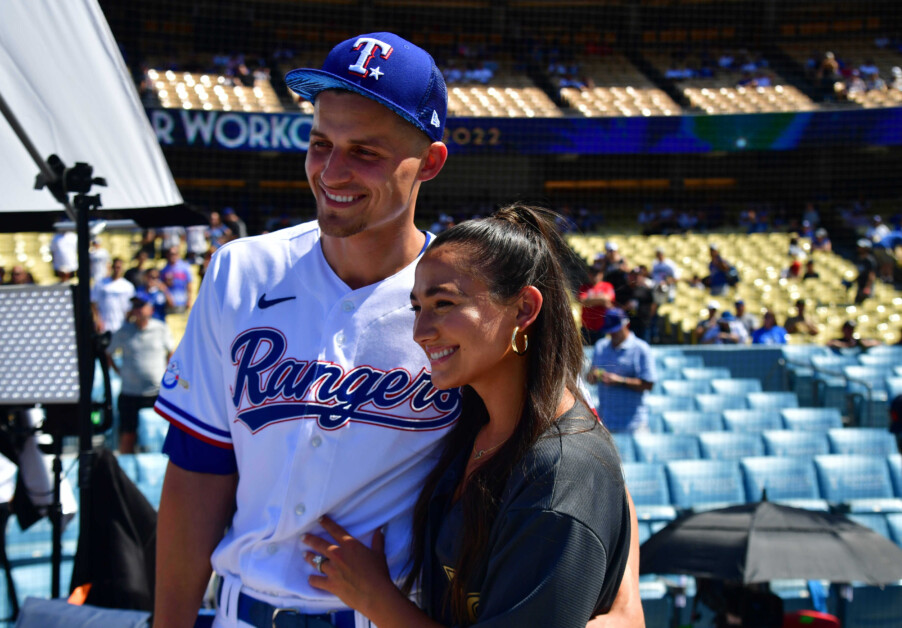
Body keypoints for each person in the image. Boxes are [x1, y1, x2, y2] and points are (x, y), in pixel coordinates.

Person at [153, 32, 641, 628]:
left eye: (365, 151)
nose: (332, 170)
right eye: (320, 142)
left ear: (430, 162)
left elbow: (567, 435)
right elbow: (197, 466)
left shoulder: (465, 307)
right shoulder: (240, 270)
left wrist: (625, 588)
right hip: (242, 611)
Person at [302, 205, 632, 626]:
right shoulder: (477, 418)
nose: (420, 332)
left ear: (524, 310)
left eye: (444, 303)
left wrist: (375, 599)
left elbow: (585, 481)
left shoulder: (560, 473)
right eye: (416, 307)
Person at [107, 295, 174, 453]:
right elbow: (108, 353)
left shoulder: (161, 328)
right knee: (128, 435)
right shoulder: (124, 331)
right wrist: (119, 372)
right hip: (130, 393)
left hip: (156, 392)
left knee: (159, 436)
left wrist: (166, 371)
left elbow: (171, 351)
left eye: (141, 305)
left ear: (150, 309)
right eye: (135, 306)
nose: (137, 309)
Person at [587, 308, 656, 433]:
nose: (613, 334)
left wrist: (620, 381)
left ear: (626, 324)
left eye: (616, 329)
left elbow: (648, 384)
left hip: (633, 425)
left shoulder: (641, 348)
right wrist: (594, 375)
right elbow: (590, 379)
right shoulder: (601, 346)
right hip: (605, 423)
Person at [91, 257, 136, 334]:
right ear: (111, 268)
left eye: (119, 267)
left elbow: (132, 307)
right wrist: (98, 321)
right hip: (105, 326)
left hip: (122, 325)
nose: (116, 270)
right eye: (115, 267)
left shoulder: (128, 286)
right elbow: (93, 303)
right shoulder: (100, 284)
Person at [578, 267, 615, 345]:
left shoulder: (607, 286)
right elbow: (582, 301)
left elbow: (608, 299)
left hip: (602, 326)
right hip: (587, 327)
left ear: (601, 275)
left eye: (597, 274)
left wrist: (590, 300)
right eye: (592, 274)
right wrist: (600, 299)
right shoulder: (585, 287)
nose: (595, 276)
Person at [159, 246, 193, 313]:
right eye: (170, 254)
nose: (172, 256)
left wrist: (189, 299)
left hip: (183, 301)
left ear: (178, 254)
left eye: (174, 254)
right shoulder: (164, 270)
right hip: (170, 303)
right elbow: (162, 285)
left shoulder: (185, 267)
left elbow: (189, 284)